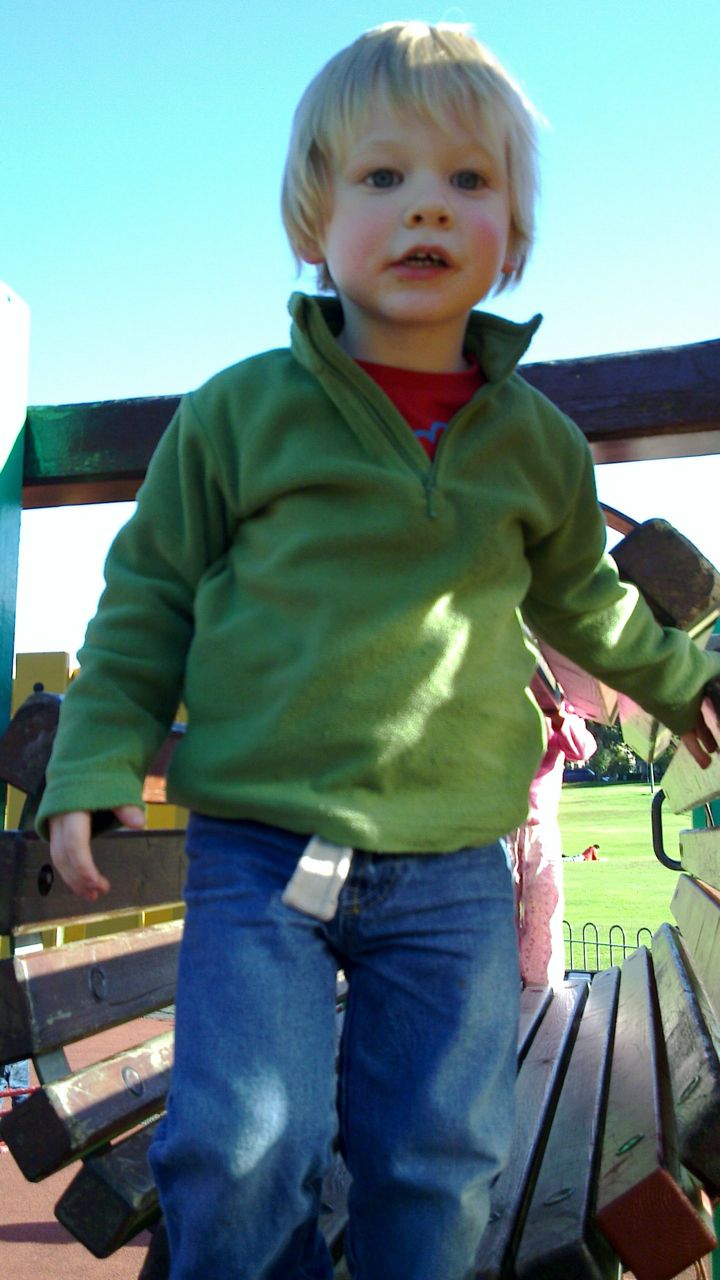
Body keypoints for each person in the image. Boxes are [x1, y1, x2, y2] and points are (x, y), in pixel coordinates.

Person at [36, 22, 720, 1280]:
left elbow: (588, 602)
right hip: (261, 855)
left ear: (512, 234)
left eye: (468, 180)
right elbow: (148, 596)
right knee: (239, 1146)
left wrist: (687, 685)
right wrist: (94, 756)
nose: (427, 206)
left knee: (438, 1154)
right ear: (316, 217)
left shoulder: (534, 444)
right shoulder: (240, 415)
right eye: (384, 176)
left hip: (453, 867)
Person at [509, 702, 596, 987]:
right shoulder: (502, 692)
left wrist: (558, 717)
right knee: (498, 914)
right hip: (499, 827)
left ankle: (542, 989)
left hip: (541, 830)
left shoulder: (560, 706)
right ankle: (501, 987)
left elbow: (583, 748)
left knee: (544, 915)